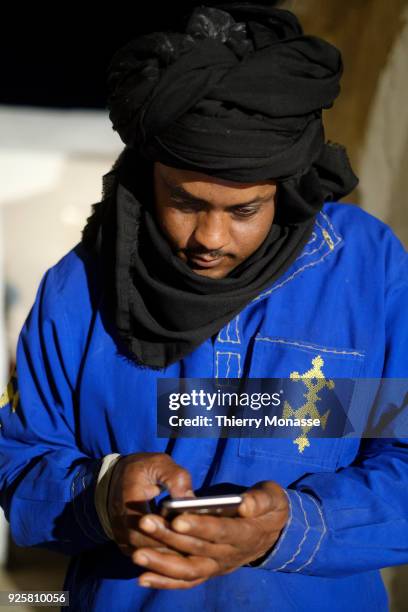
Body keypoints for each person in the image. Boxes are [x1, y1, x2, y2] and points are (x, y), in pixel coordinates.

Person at [0, 4, 407, 611]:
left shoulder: (367, 271)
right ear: (148, 177)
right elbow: (18, 461)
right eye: (184, 201)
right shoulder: (78, 288)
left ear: (287, 188)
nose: (209, 238)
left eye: (243, 211)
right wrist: (103, 493)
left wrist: (285, 528)